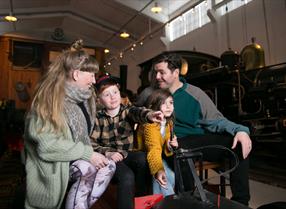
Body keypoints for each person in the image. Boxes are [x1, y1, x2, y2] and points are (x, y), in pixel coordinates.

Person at [136, 52, 252, 206]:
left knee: (237, 144)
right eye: (155, 72)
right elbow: (133, 114)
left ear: (176, 73)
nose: (157, 77)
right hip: (170, 142)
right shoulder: (149, 94)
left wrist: (241, 130)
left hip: (197, 139)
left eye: (161, 72)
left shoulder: (195, 94)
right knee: (181, 151)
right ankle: (190, 202)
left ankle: (241, 203)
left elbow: (216, 120)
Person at [23, 40, 115, 209]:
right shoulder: (49, 101)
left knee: (108, 165)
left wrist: (147, 114)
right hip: (54, 162)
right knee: (88, 168)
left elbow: (115, 108)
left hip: (75, 156)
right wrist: (89, 154)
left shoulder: (86, 97)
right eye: (92, 75)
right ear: (76, 74)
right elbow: (46, 146)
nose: (94, 81)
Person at [91, 75, 163, 209]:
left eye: (115, 92)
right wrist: (107, 153)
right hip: (110, 158)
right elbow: (92, 144)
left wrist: (150, 115)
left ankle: (142, 202)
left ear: (119, 93)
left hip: (126, 154)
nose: (112, 97)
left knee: (143, 158)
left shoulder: (127, 111)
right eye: (106, 94)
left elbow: (138, 112)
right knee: (127, 176)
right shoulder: (97, 118)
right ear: (99, 99)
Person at [136, 89, 178, 197]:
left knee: (172, 176)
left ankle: (161, 202)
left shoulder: (168, 122)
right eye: (163, 103)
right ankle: (169, 203)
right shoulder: (150, 124)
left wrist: (170, 144)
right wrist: (158, 170)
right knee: (163, 175)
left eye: (171, 103)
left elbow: (166, 142)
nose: (169, 106)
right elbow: (153, 148)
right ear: (154, 105)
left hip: (156, 154)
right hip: (143, 155)